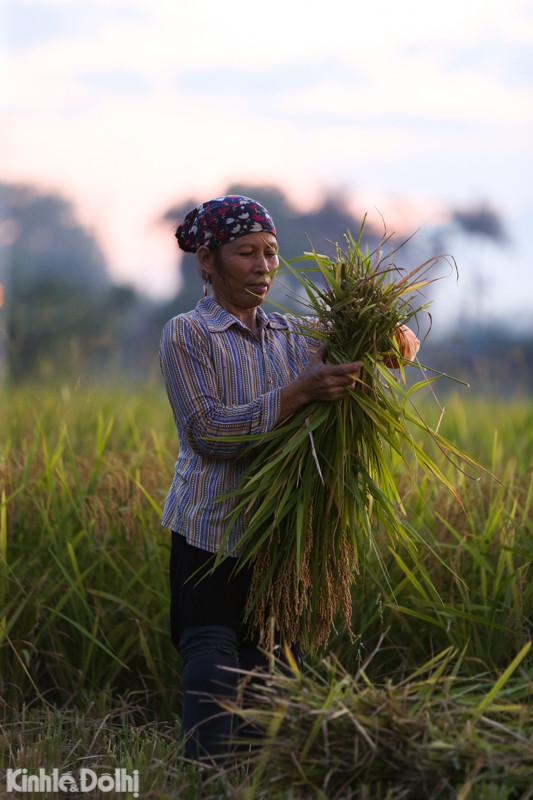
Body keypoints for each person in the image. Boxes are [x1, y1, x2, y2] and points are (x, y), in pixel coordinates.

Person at [159, 194, 419, 762]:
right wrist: (298, 394)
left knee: (273, 665)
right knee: (212, 659)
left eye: (271, 253)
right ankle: (205, 779)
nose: (263, 266)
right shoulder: (187, 334)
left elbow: (365, 347)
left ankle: (257, 778)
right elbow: (208, 432)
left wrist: (390, 335)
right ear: (207, 261)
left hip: (281, 532)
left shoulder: (293, 333)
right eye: (245, 252)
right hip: (209, 528)